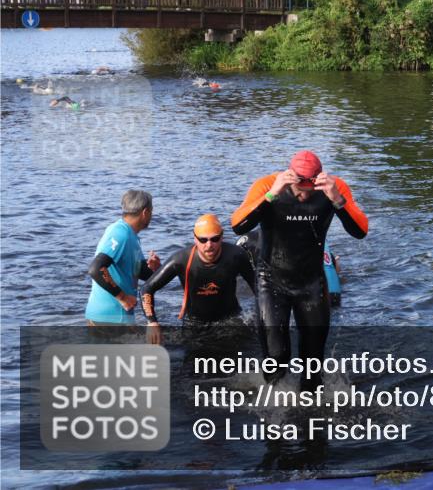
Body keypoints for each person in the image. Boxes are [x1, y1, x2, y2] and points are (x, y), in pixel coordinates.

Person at [231, 150, 367, 389]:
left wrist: (337, 200)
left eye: (309, 190)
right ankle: (273, 407)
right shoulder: (267, 184)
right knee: (276, 358)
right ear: (289, 176)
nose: (304, 196)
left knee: (313, 365)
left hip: (311, 282)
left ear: (318, 180)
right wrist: (273, 194)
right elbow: (238, 225)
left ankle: (307, 411)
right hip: (271, 280)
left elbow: (360, 231)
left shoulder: (335, 187)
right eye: (298, 189)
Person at [141, 214, 256, 344]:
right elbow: (147, 288)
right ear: (195, 238)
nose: (209, 245)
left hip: (230, 320)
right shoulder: (180, 260)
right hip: (195, 323)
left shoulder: (236, 255)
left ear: (222, 237)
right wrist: (152, 322)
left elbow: (257, 287)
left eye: (215, 239)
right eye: (203, 240)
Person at [85, 190, 161, 326]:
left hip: (117, 318)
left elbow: (140, 273)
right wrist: (123, 297)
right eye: (151, 211)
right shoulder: (120, 234)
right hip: (109, 319)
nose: (151, 216)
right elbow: (96, 269)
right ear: (145, 213)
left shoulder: (131, 236)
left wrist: (155, 270)